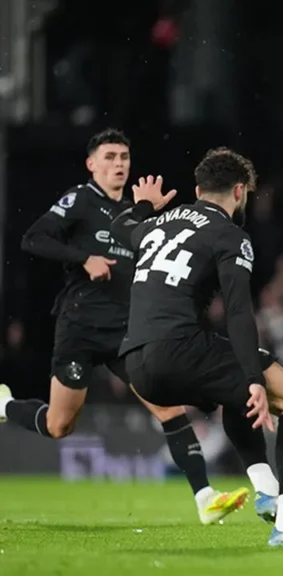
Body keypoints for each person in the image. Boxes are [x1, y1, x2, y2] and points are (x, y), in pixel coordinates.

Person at [0, 129, 248, 526]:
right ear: (91, 164)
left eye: (124, 157)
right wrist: (84, 258)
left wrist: (153, 215)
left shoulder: (138, 210)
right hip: (80, 325)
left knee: (168, 407)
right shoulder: (80, 200)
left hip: (125, 331)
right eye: (110, 156)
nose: (119, 164)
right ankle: (5, 405)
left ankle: (205, 498)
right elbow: (34, 239)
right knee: (59, 425)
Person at [110, 148, 283, 547]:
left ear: (198, 189)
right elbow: (238, 311)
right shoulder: (229, 235)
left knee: (234, 395)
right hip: (178, 349)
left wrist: (146, 207)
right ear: (240, 191)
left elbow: (119, 231)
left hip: (135, 363)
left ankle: (267, 487)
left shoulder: (156, 225)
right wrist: (254, 378)